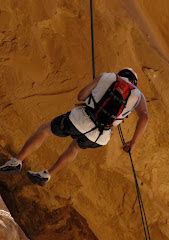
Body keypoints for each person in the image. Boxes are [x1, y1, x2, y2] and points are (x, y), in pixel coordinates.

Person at [0, 68, 149, 186]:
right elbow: (145, 117)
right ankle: (47, 175)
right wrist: (133, 142)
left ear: (120, 74)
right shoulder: (138, 95)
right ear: (134, 82)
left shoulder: (107, 76)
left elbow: (81, 96)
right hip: (100, 137)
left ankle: (17, 162)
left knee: (45, 130)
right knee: (75, 148)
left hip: (80, 120)